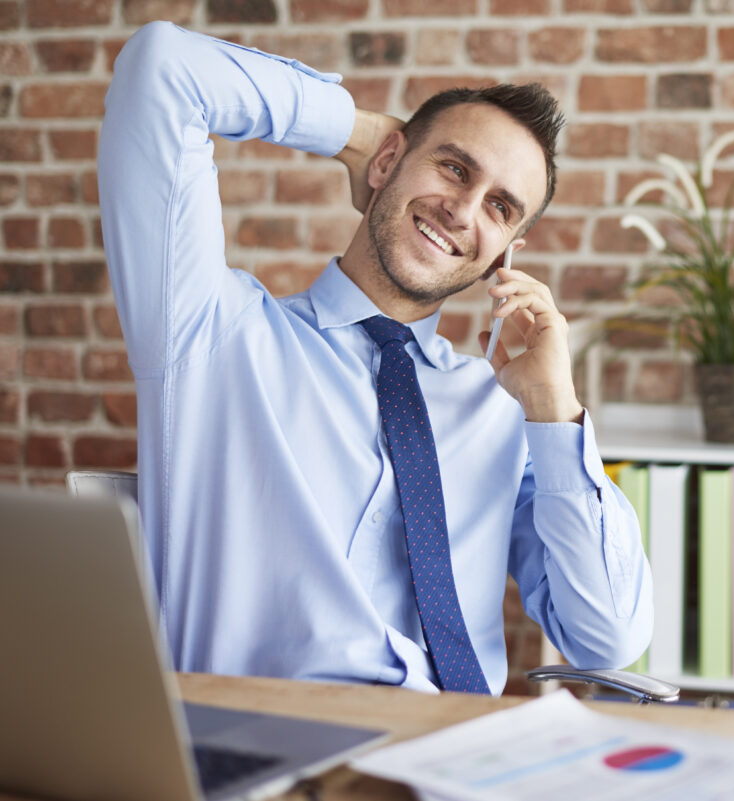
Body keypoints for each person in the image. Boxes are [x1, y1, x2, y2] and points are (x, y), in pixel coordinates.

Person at [96, 21, 652, 695]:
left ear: (503, 252)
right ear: (386, 164)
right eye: (453, 167)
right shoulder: (212, 333)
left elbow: (608, 638)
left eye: (500, 207)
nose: (462, 210)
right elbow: (164, 67)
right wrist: (355, 131)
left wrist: (555, 409)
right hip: (266, 757)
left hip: (455, 761)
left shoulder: (503, 412)